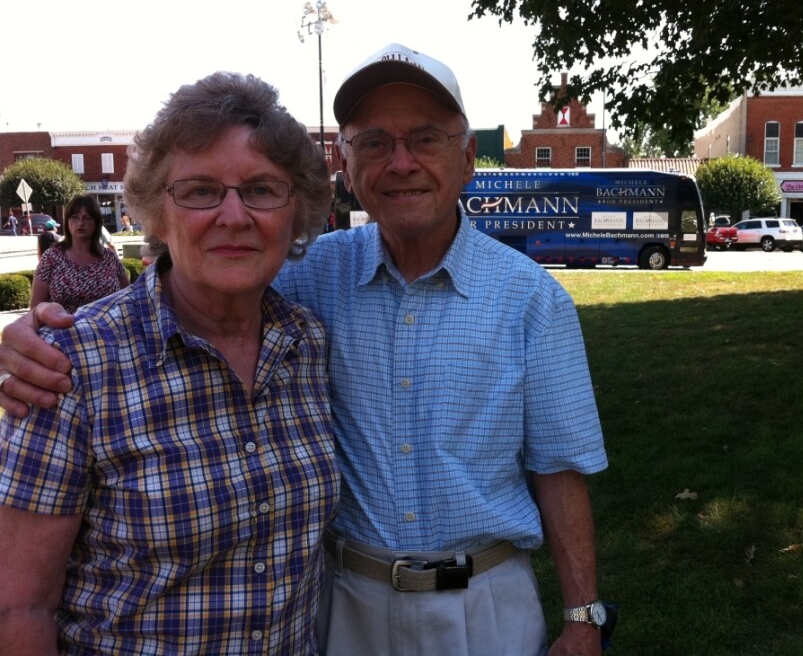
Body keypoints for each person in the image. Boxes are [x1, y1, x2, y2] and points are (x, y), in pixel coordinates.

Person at [0, 44, 608, 655]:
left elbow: (559, 468)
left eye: (425, 139)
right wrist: (34, 341)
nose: (400, 163)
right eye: (373, 143)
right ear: (344, 164)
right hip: (347, 606)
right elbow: (18, 601)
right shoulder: (307, 280)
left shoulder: (527, 300)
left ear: (468, 157)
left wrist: (583, 616)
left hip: (486, 604)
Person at [0, 71, 339, 654]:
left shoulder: (307, 344)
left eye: (261, 189)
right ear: (156, 213)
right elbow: (18, 604)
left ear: (296, 211)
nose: (233, 216)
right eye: (201, 190)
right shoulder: (71, 365)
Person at [30, 194, 130, 312]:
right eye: (74, 217)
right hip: (62, 328)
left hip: (106, 329)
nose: (80, 223)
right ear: (67, 221)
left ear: (96, 222)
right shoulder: (51, 257)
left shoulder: (109, 257)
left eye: (87, 218)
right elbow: (35, 309)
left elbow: (128, 297)